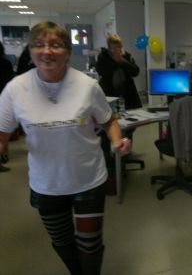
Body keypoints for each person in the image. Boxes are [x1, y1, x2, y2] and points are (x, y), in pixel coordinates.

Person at [0, 21, 131, 274]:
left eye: (55, 45)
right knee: (61, 241)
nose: (46, 51)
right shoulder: (15, 89)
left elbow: (109, 121)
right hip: (47, 183)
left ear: (68, 52)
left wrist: (117, 141)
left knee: (90, 244)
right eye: (39, 44)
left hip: (88, 179)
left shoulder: (87, 86)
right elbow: (2, 135)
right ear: (31, 50)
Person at [95, 34, 141, 110]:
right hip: (109, 93)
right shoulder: (103, 56)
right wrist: (115, 62)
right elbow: (101, 71)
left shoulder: (126, 56)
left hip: (127, 94)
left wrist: (123, 61)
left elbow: (135, 72)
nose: (116, 50)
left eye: (118, 47)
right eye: (113, 48)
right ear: (109, 48)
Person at [0, 41, 14, 171]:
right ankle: (3, 156)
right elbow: (10, 81)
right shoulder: (6, 64)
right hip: (3, 98)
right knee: (3, 129)